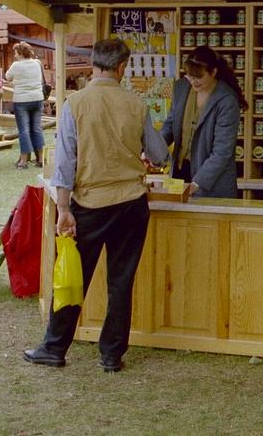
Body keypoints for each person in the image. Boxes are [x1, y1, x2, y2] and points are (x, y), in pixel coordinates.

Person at [23, 38, 168, 372]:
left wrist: (63, 208)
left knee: (73, 277)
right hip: (131, 203)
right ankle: (112, 355)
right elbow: (159, 154)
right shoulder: (136, 104)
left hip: (89, 202)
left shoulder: (76, 104)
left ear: (92, 64)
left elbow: (64, 163)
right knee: (121, 280)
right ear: (122, 67)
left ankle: (55, 347)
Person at [160, 45, 247, 198]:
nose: (193, 82)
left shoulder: (227, 100)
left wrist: (197, 183)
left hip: (211, 180)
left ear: (213, 72)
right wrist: (154, 148)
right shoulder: (181, 88)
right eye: (189, 76)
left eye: (198, 77)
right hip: (180, 171)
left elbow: (222, 152)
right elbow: (171, 125)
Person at [5, 41, 45, 169]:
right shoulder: (37, 63)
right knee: (37, 129)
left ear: (21, 53)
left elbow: (7, 77)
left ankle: (23, 161)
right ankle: (41, 158)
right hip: (37, 98)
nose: (15, 55)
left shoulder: (16, 65)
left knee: (24, 131)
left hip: (21, 100)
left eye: (16, 53)